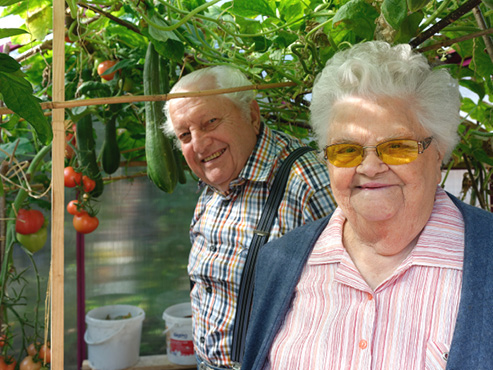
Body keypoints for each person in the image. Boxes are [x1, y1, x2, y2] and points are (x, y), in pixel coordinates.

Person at [242, 41, 493, 370]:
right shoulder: (277, 262)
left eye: (398, 146)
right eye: (346, 150)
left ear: (439, 152)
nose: (370, 167)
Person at [162, 65, 337, 369]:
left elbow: (350, 302)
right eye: (185, 135)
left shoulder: (307, 183)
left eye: (210, 122)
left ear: (252, 115)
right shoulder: (212, 185)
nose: (199, 144)